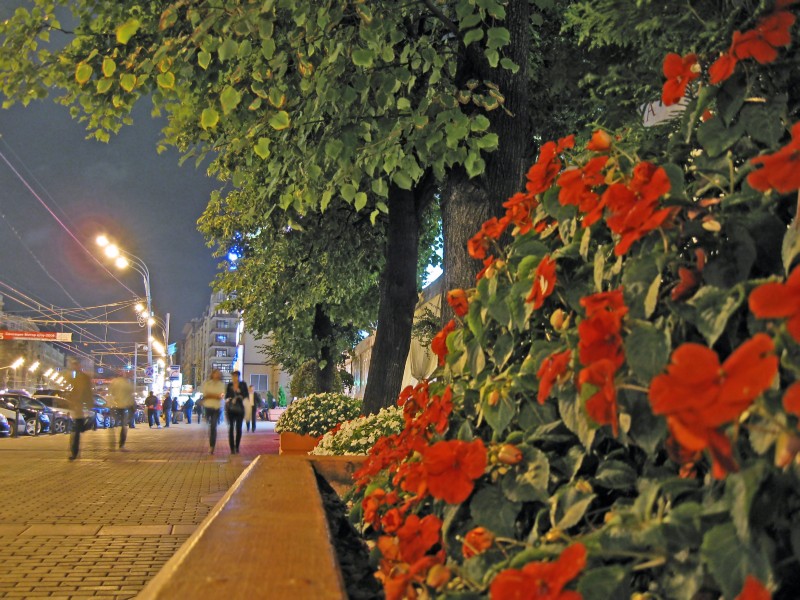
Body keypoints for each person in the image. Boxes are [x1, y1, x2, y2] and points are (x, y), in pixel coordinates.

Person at [66, 357, 93, 460]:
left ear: (79, 366)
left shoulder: (84, 377)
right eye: (72, 365)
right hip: (75, 406)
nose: (74, 367)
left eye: (75, 365)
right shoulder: (72, 376)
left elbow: (87, 392)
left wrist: (89, 405)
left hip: (80, 406)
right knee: (76, 430)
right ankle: (74, 452)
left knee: (77, 429)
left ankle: (74, 452)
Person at [200, 369, 225, 454]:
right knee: (211, 426)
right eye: (215, 373)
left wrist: (211, 395)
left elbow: (221, 396)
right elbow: (205, 395)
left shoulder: (222, 385)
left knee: (213, 426)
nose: (216, 375)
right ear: (212, 374)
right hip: (208, 407)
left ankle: (212, 446)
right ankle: (211, 443)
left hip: (217, 408)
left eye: (218, 374)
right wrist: (215, 395)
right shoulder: (207, 383)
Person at [108, 375, 134, 449]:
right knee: (124, 425)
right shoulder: (127, 384)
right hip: (124, 407)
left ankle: (112, 443)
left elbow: (110, 393)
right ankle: (121, 444)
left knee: (112, 425)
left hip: (114, 406)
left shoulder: (114, 382)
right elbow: (130, 395)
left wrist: (110, 403)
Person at [225, 370, 248, 454]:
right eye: (233, 376)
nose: (234, 378)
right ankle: (232, 448)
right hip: (231, 409)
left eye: (236, 376)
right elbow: (227, 395)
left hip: (240, 409)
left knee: (238, 428)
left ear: (238, 377)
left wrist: (239, 394)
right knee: (231, 428)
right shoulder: (229, 385)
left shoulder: (243, 384)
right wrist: (230, 399)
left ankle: (237, 446)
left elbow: (246, 395)